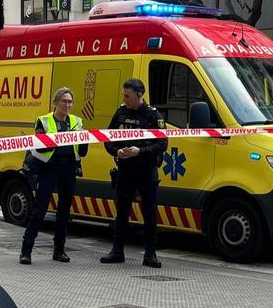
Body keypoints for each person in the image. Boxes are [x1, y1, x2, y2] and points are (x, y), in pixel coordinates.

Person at [101, 79, 167, 268]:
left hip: (146, 170)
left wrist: (140, 152)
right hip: (125, 170)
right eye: (124, 95)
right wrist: (116, 151)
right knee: (122, 212)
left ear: (139, 95)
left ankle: (150, 255)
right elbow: (107, 138)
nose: (125, 99)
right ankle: (117, 251)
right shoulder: (121, 112)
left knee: (149, 213)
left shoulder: (153, 115)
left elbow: (163, 144)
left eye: (127, 96)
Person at [20, 87, 88, 265]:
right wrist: (57, 138)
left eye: (70, 101)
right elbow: (40, 146)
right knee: (39, 210)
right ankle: (26, 251)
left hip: (68, 168)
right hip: (49, 168)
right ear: (56, 102)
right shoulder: (43, 121)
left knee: (64, 211)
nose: (67, 105)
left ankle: (59, 250)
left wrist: (84, 140)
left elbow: (82, 150)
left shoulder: (77, 122)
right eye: (64, 101)